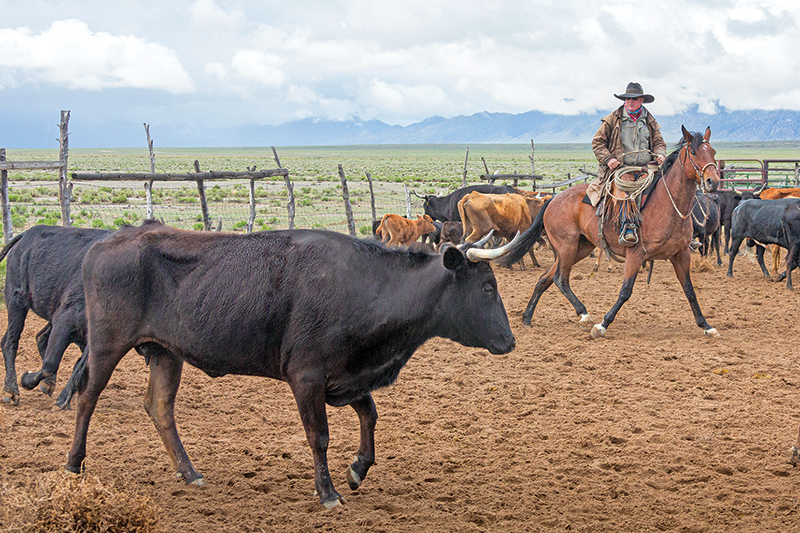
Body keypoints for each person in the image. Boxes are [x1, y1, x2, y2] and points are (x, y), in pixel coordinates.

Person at [587, 82, 667, 247]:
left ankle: (673, 230)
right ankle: (627, 226)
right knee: (626, 185)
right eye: (627, 99)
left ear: (642, 100)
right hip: (621, 168)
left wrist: (660, 154)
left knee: (667, 186)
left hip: (647, 167)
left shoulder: (649, 121)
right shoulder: (612, 120)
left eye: (635, 99)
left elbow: (659, 142)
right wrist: (608, 159)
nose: (630, 102)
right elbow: (597, 143)